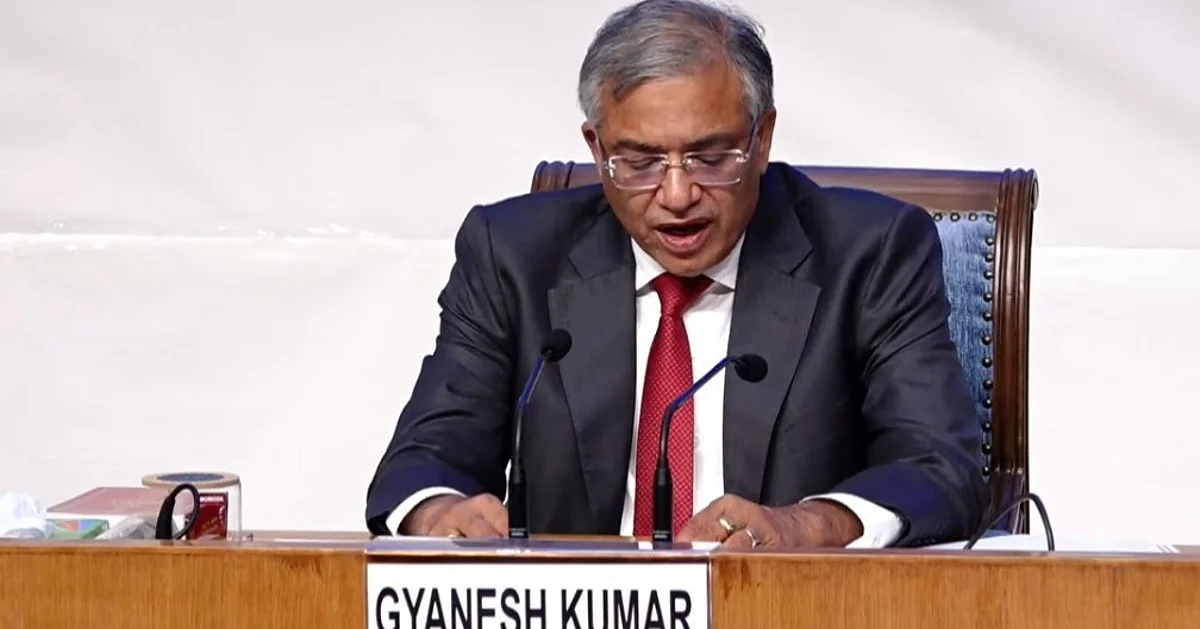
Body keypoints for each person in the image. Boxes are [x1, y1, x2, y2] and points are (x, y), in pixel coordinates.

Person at [365, 0, 987, 549]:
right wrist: (439, 513)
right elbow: (425, 460)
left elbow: (939, 467)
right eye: (639, 163)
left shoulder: (869, 254)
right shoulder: (513, 258)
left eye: (711, 157)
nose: (677, 193)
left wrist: (807, 526)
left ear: (763, 138)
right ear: (597, 149)